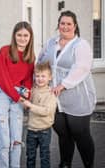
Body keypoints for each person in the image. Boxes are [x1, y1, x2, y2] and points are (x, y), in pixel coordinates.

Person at [38, 10, 96, 168]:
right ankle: (65, 164)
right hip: (55, 99)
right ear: (58, 25)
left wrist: (62, 85)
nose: (65, 26)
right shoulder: (51, 42)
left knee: (80, 134)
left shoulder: (81, 45)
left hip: (77, 97)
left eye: (68, 24)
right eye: (62, 23)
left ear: (75, 26)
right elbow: (41, 62)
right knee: (63, 135)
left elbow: (81, 68)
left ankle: (88, 165)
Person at [0, 21, 35, 168]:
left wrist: (26, 93)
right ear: (14, 36)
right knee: (4, 139)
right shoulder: (5, 51)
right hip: (1, 94)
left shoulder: (30, 56)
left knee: (16, 138)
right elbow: (1, 77)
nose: (22, 38)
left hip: (18, 96)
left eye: (26, 35)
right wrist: (18, 97)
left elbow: (28, 78)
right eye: (19, 35)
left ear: (30, 37)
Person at [21, 61, 57, 168]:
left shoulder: (51, 93)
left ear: (50, 77)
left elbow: (46, 111)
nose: (40, 79)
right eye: (37, 76)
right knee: (30, 156)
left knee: (44, 156)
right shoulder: (32, 90)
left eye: (43, 76)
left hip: (44, 131)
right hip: (31, 129)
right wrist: (25, 102)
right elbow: (26, 106)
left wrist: (31, 106)